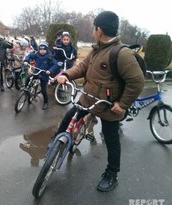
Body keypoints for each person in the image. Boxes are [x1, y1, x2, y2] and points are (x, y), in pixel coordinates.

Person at [54, 11, 145, 192]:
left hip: (108, 107)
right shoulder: (97, 49)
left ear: (99, 30)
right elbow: (82, 67)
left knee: (111, 140)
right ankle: (56, 141)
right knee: (70, 116)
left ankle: (112, 174)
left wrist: (122, 104)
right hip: (88, 98)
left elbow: (137, 81)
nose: (93, 30)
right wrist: (65, 74)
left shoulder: (122, 54)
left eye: (94, 27)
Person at [24, 41, 58, 110]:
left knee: (43, 90)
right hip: (37, 72)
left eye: (44, 49)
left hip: (44, 74)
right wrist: (26, 60)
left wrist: (50, 70)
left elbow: (55, 64)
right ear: (39, 49)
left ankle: (46, 102)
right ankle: (26, 89)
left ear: (47, 49)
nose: (42, 51)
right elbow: (30, 55)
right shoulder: (37, 54)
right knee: (28, 78)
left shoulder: (49, 56)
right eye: (41, 49)